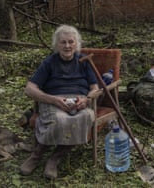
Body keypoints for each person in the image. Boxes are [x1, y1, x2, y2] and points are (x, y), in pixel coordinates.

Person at [19, 24, 99, 179]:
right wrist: (53, 100)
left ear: (77, 44)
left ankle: (55, 158)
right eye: (63, 42)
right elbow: (29, 89)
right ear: (56, 44)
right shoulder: (49, 63)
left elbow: (95, 88)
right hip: (53, 101)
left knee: (85, 116)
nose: (67, 46)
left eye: (71, 42)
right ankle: (36, 155)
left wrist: (87, 99)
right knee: (59, 119)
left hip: (79, 101)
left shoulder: (84, 61)